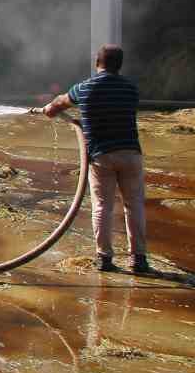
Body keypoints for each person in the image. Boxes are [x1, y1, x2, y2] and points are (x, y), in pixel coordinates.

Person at [43, 44, 150, 274]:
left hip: (101, 155)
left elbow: (58, 105)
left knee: (102, 206)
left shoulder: (85, 88)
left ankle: (104, 258)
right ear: (119, 65)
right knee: (135, 205)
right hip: (131, 153)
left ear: (96, 63)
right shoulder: (131, 89)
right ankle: (139, 259)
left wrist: (49, 108)